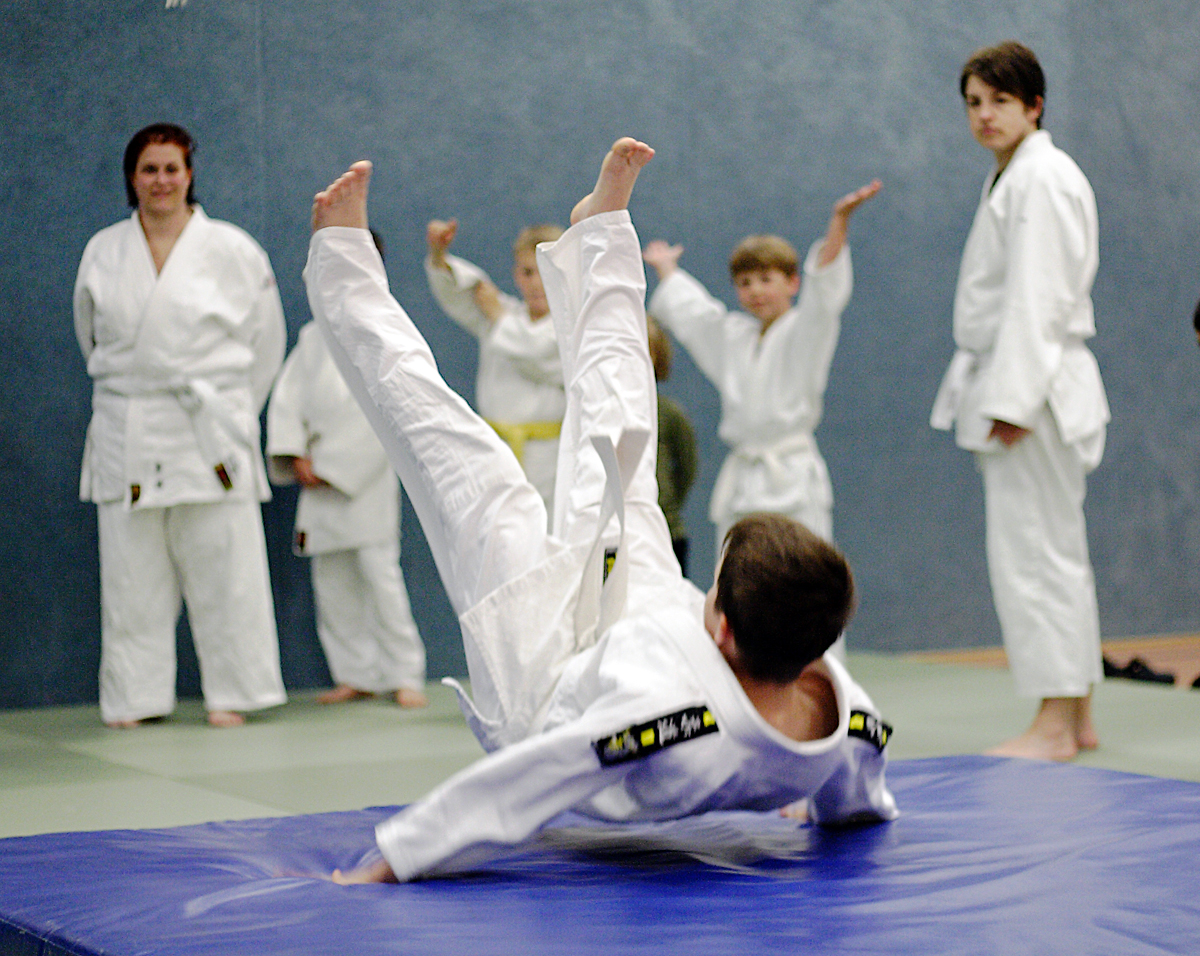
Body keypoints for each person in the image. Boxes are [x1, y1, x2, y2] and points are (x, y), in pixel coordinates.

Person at [302, 138, 896, 885]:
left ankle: (343, 263)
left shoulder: (662, 719)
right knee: (624, 441)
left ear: (722, 622)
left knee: (460, 460)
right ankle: (601, 235)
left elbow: (526, 786)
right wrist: (817, 801)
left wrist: (392, 861)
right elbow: (858, 786)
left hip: (544, 674)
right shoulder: (847, 714)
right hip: (639, 617)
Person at [930, 42, 1110, 761]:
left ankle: (1055, 726)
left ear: (1034, 105)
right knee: (1052, 552)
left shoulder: (1042, 179)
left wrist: (1012, 401)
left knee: (1035, 557)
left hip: (1031, 392)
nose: (984, 115)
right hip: (1028, 383)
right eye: (974, 102)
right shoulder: (1016, 177)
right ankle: (1079, 714)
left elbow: (1038, 299)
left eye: (999, 101)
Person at [73, 123, 287, 728]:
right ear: (131, 178)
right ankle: (134, 699)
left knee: (227, 567)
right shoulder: (104, 250)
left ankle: (234, 693)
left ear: (190, 174)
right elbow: (88, 333)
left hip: (208, 424)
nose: (161, 180)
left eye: (171, 168)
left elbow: (265, 341)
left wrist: (236, 412)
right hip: (132, 421)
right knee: (131, 575)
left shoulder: (233, 249)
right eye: (149, 169)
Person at [641, 180, 881, 556]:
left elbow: (825, 294)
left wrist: (839, 223)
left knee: (800, 574)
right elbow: (695, 315)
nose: (756, 291)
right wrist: (668, 269)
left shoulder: (806, 330)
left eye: (767, 279)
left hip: (792, 478)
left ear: (793, 282)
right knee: (741, 576)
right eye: (745, 282)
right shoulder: (734, 337)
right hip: (744, 484)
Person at [266, 231, 428, 709]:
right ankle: (354, 672)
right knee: (331, 582)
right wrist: (295, 455)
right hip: (316, 478)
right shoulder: (313, 337)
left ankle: (405, 673)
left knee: (380, 577)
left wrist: (336, 467)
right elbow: (287, 401)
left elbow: (393, 412)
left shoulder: (389, 331)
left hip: (366, 477)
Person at [425, 217, 565, 512]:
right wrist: (440, 257)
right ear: (516, 275)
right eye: (528, 272)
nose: (537, 283)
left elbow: (537, 354)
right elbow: (464, 293)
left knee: (544, 541)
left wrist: (498, 316)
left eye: (546, 272)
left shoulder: (572, 329)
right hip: (494, 453)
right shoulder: (503, 316)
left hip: (549, 460)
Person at [647, 315, 698, 574]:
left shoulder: (668, 413)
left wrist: (666, 505)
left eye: (646, 352)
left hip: (667, 531)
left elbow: (687, 467)